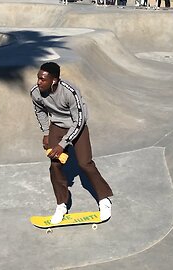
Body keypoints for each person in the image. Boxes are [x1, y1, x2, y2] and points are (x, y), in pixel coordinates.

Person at [30, 62, 113, 224]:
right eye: (38, 78)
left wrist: (63, 144)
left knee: (85, 164)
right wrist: (46, 133)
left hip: (77, 127)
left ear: (54, 80)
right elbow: (40, 111)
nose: (38, 82)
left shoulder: (70, 92)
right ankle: (62, 204)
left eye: (42, 79)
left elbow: (80, 120)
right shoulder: (36, 93)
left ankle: (104, 199)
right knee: (55, 165)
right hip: (56, 127)